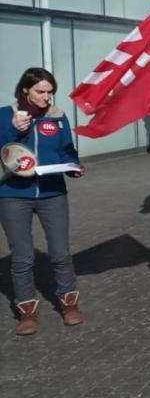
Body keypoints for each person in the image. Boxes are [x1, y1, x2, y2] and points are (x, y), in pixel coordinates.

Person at [1, 68, 84, 336]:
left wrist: (73, 166)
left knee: (60, 252)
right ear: (25, 90)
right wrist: (13, 131)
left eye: (50, 92)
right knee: (23, 256)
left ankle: (69, 304)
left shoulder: (58, 117)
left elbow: (67, 150)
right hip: (13, 194)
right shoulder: (4, 115)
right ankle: (28, 312)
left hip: (52, 193)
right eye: (40, 91)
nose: (46, 97)